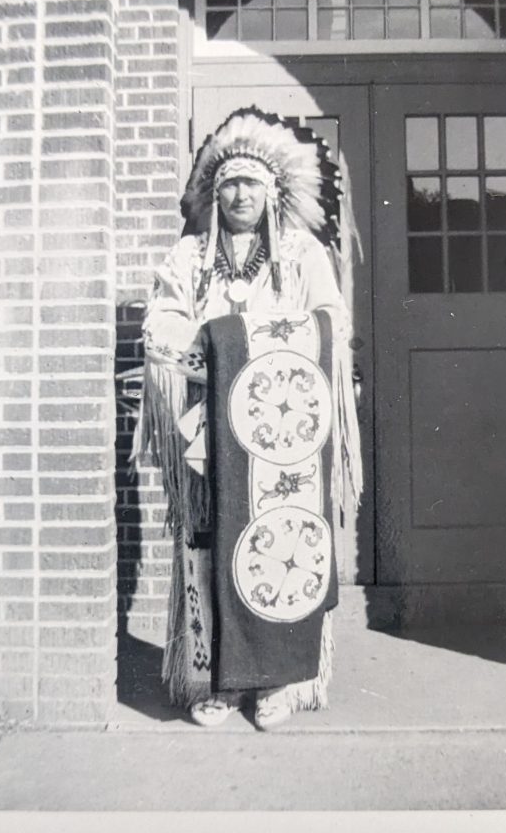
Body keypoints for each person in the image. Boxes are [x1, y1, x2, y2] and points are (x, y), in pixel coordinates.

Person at [133, 107, 362, 730]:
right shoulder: (189, 256)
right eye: (229, 183)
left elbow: (331, 321)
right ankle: (219, 682)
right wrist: (217, 357)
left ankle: (278, 682)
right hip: (208, 426)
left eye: (252, 184)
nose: (240, 194)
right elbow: (160, 326)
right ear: (215, 190)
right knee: (206, 545)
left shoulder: (301, 252)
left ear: (273, 191)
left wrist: (260, 354)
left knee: (281, 541)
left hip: (282, 431)